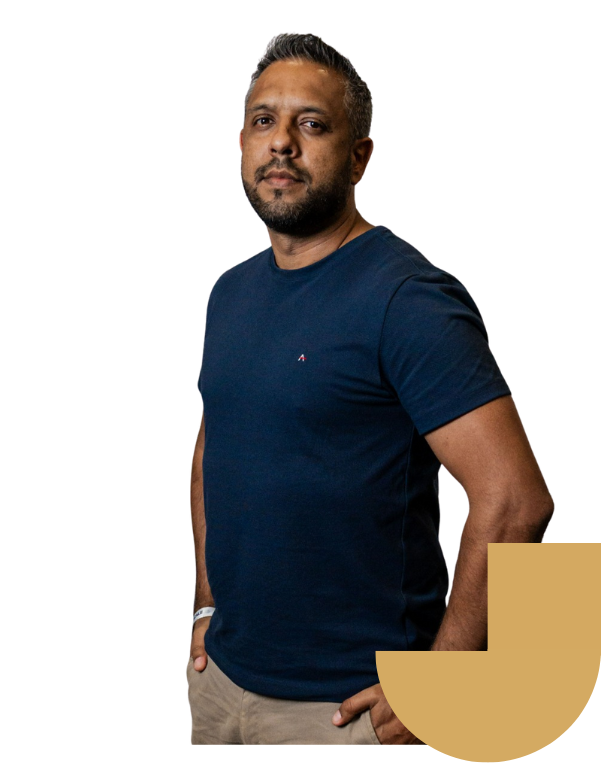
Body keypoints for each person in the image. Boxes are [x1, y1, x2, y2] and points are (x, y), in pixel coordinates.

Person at [187, 32, 553, 746]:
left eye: (311, 123)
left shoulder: (408, 300)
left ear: (358, 157)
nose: (281, 141)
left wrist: (442, 680)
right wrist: (205, 605)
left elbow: (517, 500)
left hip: (345, 711)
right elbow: (214, 450)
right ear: (242, 142)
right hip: (220, 683)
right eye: (263, 120)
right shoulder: (230, 292)